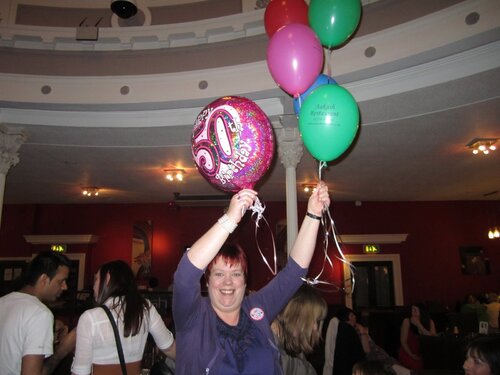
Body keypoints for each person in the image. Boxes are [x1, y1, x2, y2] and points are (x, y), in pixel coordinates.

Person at [172, 182, 330, 374]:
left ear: (245, 281)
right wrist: (230, 219)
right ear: (207, 280)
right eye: (219, 274)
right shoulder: (193, 316)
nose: (228, 282)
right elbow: (185, 275)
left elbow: (294, 273)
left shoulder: (257, 308)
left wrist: (313, 214)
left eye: (236, 274)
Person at [71, 260, 176, 375]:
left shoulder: (90, 318)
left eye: (96, 279)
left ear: (107, 278)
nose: (93, 286)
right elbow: (170, 348)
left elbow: (80, 372)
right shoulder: (145, 308)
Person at [0, 251, 76, 375]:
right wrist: (62, 351)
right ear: (44, 279)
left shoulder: (2, 302)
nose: (65, 287)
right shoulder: (40, 314)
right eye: (61, 281)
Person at [271, 284, 328, 375]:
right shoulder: (266, 338)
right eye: (311, 318)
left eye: (317, 321)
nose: (315, 327)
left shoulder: (296, 352)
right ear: (294, 313)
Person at [337, 307, 410, 375]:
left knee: (400, 369)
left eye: (354, 315)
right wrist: (362, 331)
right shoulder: (351, 332)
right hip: (373, 359)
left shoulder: (357, 328)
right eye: (351, 316)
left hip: (380, 356)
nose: (354, 317)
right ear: (346, 319)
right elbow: (367, 350)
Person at [398, 304, 436, 370]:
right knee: (415, 366)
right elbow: (403, 341)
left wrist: (418, 325)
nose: (414, 311)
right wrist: (411, 354)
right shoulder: (406, 321)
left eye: (416, 309)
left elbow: (432, 339)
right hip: (408, 351)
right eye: (412, 309)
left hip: (424, 353)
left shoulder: (430, 322)